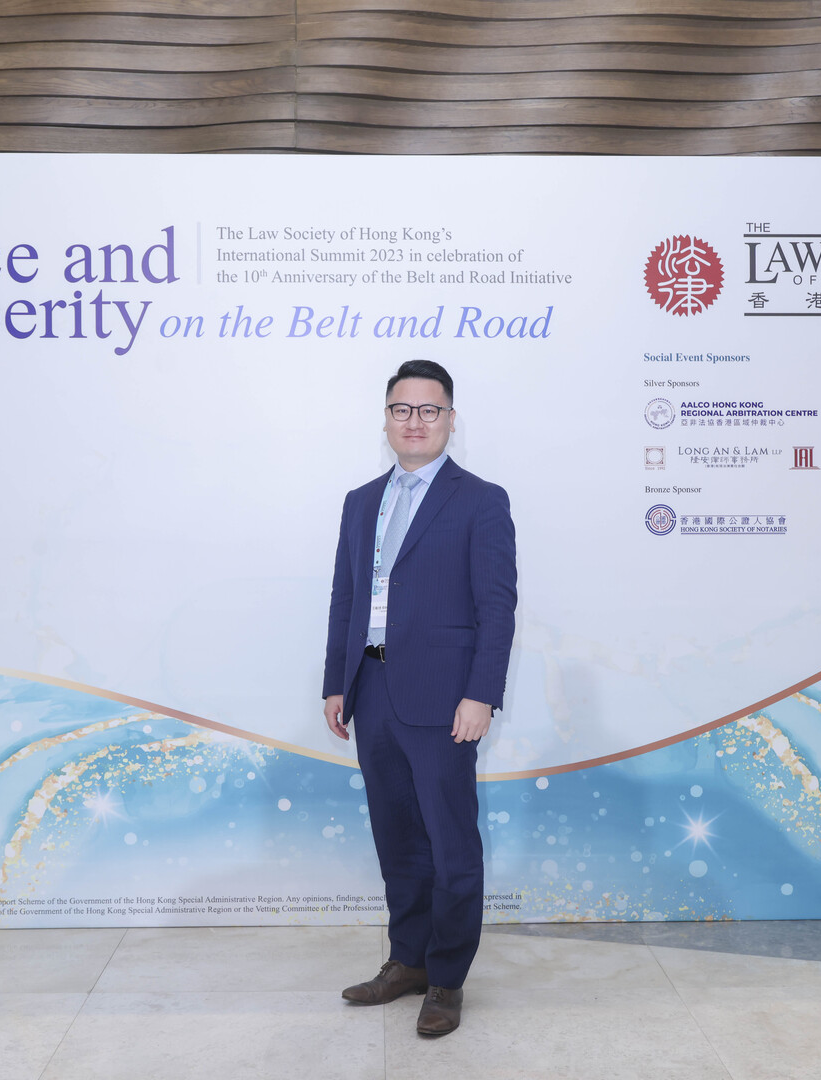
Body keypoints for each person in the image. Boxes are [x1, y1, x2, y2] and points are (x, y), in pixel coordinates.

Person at [321, 359, 517, 1036]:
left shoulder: (480, 500)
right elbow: (345, 597)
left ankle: (446, 979)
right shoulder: (360, 501)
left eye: (429, 410)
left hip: (444, 699)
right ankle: (407, 960)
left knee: (449, 842)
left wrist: (481, 695)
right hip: (372, 689)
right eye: (402, 409)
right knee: (397, 838)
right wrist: (336, 681)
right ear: (385, 419)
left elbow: (496, 608)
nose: (414, 421)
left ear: (450, 420)